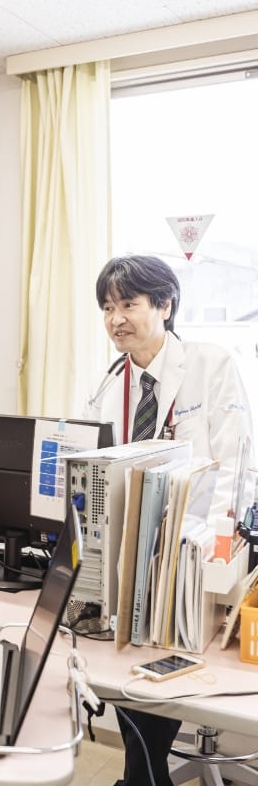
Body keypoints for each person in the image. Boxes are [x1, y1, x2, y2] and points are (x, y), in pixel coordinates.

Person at [83, 254, 254, 786]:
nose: (116, 319)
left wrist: (216, 544)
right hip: (131, 551)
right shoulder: (110, 383)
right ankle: (144, 773)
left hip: (198, 546)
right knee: (125, 665)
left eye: (128, 305)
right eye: (107, 308)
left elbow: (235, 463)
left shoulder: (210, 364)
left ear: (165, 304)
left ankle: (142, 775)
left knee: (165, 662)